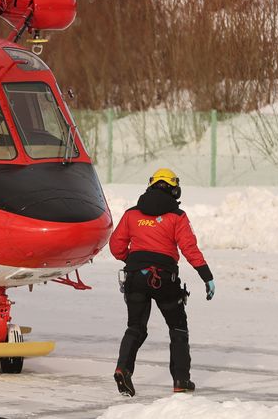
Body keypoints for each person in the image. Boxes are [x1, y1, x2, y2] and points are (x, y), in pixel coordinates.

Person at [109, 168, 215, 396]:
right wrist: (206, 276)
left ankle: (123, 369)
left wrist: (135, 260)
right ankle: (181, 380)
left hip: (135, 277)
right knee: (178, 328)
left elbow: (116, 246)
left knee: (135, 327)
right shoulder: (177, 216)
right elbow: (189, 248)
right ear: (174, 189)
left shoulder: (131, 214)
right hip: (164, 279)